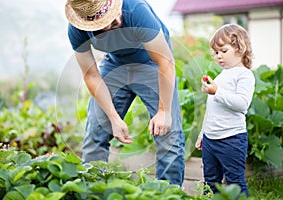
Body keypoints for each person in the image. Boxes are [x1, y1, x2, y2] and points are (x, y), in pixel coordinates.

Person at [64, 0, 185, 186]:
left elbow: (165, 63)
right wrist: (113, 117)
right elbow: (91, 75)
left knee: (169, 135)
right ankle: (91, 191)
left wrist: (164, 111)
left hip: (151, 63)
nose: (117, 20)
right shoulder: (77, 29)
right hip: (115, 64)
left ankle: (168, 194)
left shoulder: (135, 10)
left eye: (114, 14)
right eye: (109, 24)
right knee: (95, 133)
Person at [195, 24, 255, 197]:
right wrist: (202, 133)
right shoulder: (222, 75)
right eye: (216, 52)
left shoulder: (244, 75)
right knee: (210, 180)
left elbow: (242, 104)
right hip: (210, 140)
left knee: (234, 182)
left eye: (223, 50)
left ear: (239, 48)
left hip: (231, 139)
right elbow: (211, 110)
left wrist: (217, 91)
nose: (218, 56)